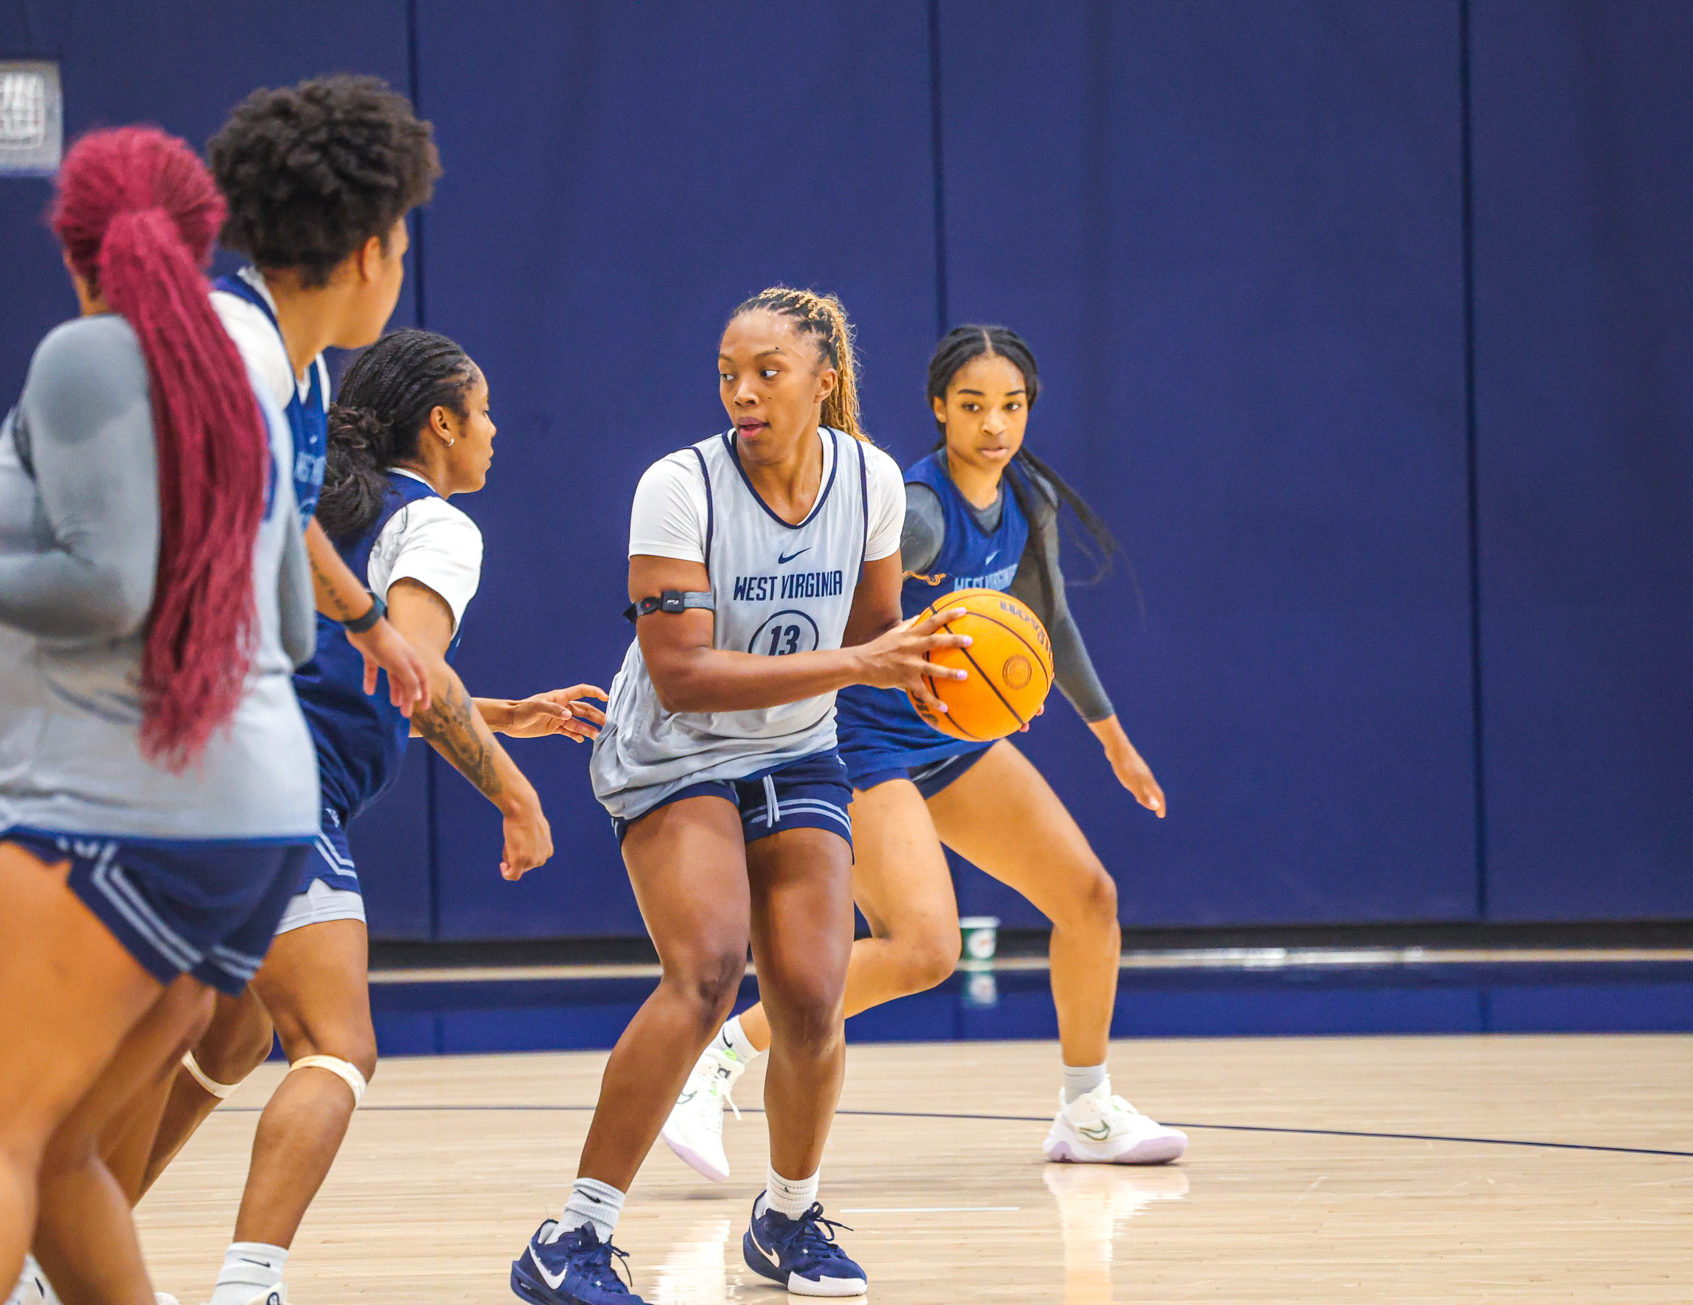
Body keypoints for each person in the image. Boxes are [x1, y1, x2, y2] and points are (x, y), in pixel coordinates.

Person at [0, 125, 320, 1305]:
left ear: (71, 247)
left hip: (116, 807)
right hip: (256, 820)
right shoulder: (248, 375)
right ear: (201, 240)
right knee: (55, 1154)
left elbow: (108, 588)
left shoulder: (88, 354)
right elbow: (294, 629)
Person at [123, 330, 607, 1305]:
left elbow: (366, 675)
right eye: (483, 412)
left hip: (178, 770)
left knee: (227, 1037)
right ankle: (248, 1287)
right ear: (441, 424)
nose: (496, 431)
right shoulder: (435, 527)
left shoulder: (324, 511)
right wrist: (514, 793)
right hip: (273, 787)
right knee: (336, 1047)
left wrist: (498, 715)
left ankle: (55, 1264)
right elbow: (414, 674)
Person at [508, 288, 968, 1305]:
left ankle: (788, 1219)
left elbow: (876, 634)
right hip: (671, 754)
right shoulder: (677, 487)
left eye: (767, 372)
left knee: (810, 993)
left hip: (796, 752)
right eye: (728, 375)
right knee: (709, 969)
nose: (742, 393)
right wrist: (858, 663)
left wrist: (950, 678)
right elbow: (682, 676)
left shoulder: (871, 480)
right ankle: (570, 1237)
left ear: (824, 381)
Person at [662, 324, 1185, 1184]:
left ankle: (1087, 1109)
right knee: (922, 947)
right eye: (973, 405)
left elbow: (1050, 623)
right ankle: (718, 1057)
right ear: (940, 408)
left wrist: (1115, 744)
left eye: (1011, 405)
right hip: (862, 740)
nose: (994, 424)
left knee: (1089, 897)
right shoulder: (921, 514)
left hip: (949, 735)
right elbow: (824, 612)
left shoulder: (1028, 500)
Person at [0, 71, 441, 806]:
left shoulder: (298, 367)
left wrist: (367, 624)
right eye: (400, 251)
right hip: (64, 691)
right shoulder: (232, 357)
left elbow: (283, 519)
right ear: (369, 255)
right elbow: (125, 573)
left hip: (115, 702)